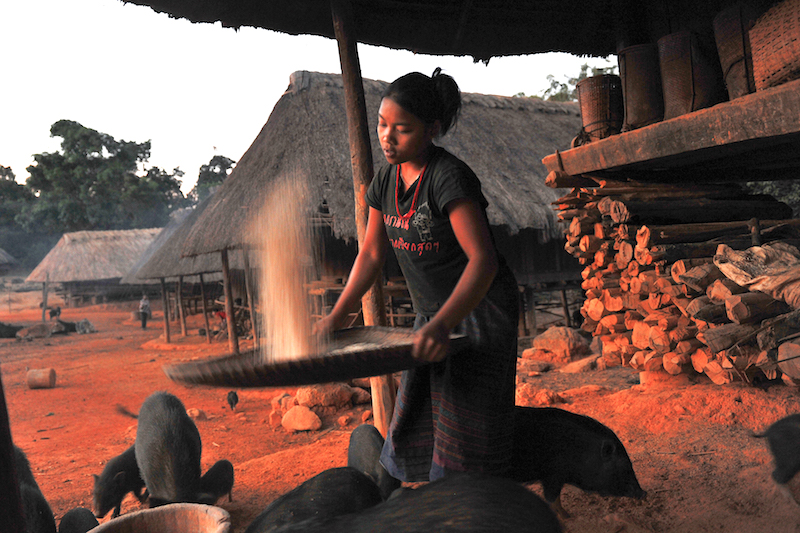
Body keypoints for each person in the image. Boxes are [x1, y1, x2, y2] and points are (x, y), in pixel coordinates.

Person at [315, 68, 519, 483]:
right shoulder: (385, 181)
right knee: (417, 413)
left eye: (402, 129)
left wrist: (444, 323)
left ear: (432, 130)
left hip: (479, 311)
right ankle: (431, 500)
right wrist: (337, 316)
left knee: (467, 426)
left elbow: (483, 261)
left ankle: (474, 508)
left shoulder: (448, 178)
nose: (387, 137)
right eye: (382, 125)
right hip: (433, 315)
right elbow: (371, 254)